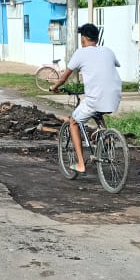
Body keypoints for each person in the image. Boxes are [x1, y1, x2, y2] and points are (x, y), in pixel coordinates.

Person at [50, 23, 121, 174]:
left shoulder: (80, 53)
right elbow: (113, 66)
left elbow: (63, 77)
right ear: (97, 38)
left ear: (83, 39)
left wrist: (54, 87)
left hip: (95, 99)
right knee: (97, 111)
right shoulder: (108, 51)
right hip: (114, 97)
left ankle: (81, 164)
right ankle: (106, 138)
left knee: (74, 122)